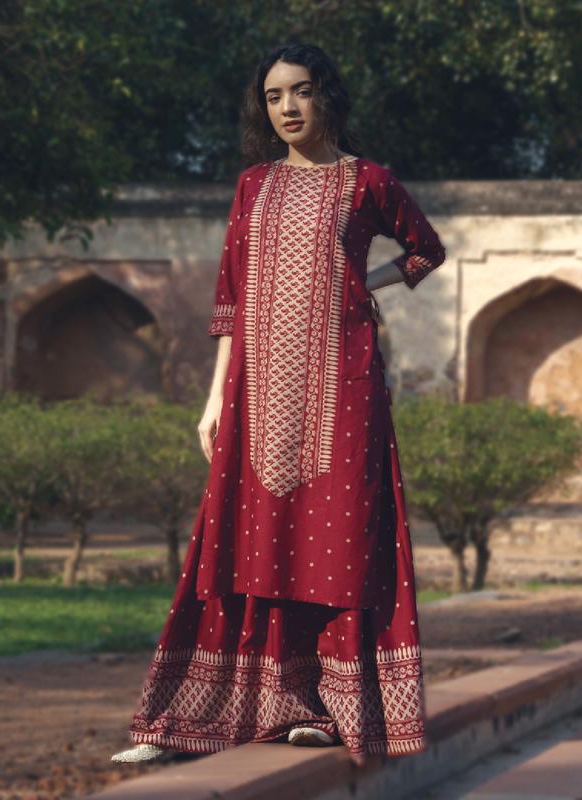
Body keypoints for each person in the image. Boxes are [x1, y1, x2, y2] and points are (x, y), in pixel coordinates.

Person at [111, 41, 446, 768]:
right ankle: (196, 718)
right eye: (273, 97)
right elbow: (230, 303)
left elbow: (426, 249)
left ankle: (329, 710)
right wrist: (211, 401)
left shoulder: (368, 183)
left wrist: (364, 282)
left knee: (339, 545)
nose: (287, 108)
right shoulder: (253, 186)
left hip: (344, 388)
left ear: (327, 97)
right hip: (255, 394)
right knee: (248, 541)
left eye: (300, 92)